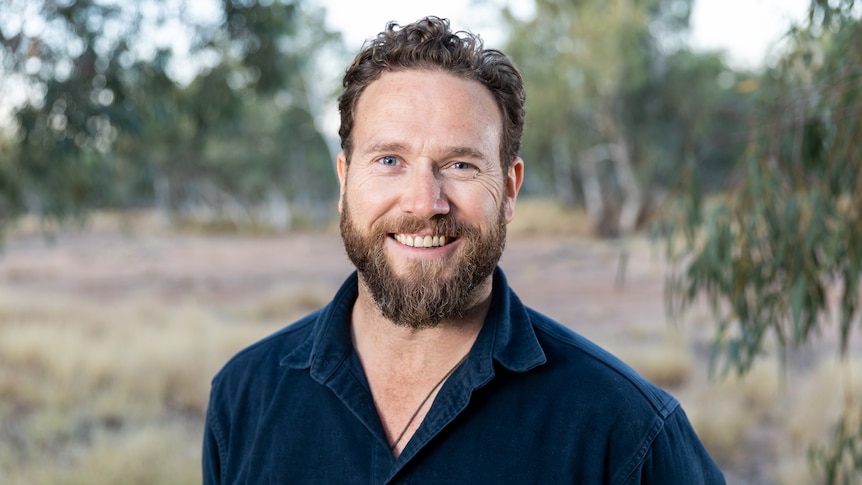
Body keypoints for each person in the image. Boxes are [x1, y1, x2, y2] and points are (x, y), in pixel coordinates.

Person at [202, 16, 725, 484]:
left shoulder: (626, 432)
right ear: (344, 181)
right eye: (389, 160)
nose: (425, 203)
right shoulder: (244, 396)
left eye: (460, 165)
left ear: (511, 190)